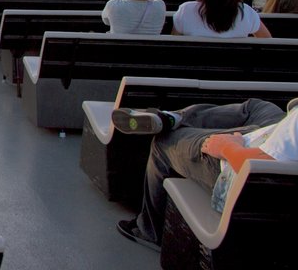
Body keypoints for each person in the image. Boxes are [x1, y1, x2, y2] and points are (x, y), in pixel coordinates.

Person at [112, 97, 298, 251]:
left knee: (164, 141)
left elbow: (255, 165)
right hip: (266, 141)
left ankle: (148, 231)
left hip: (236, 172)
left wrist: (226, 146)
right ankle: (172, 118)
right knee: (256, 107)